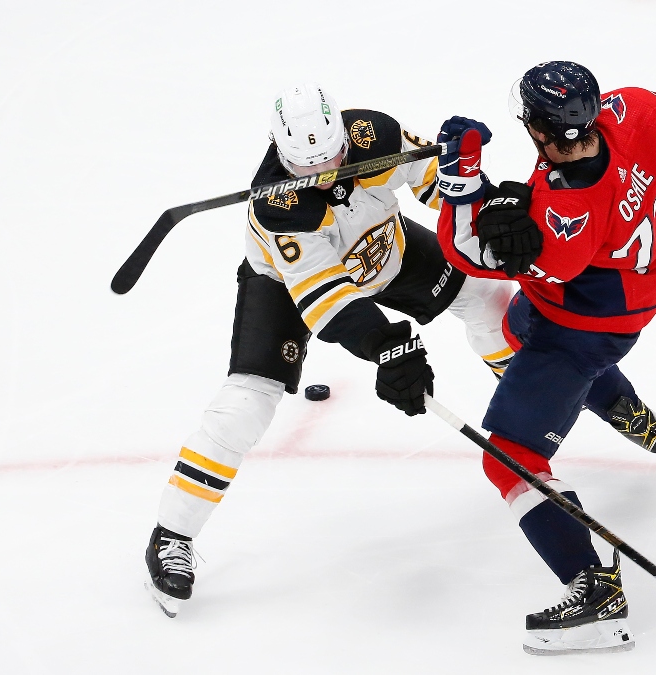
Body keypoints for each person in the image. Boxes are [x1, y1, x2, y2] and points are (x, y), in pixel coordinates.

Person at [434, 23, 656, 654]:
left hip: (585, 323)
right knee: (515, 321)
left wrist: (461, 183)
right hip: (644, 282)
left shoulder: (566, 220)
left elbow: (467, 253)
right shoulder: (630, 111)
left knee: (509, 457)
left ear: (539, 131)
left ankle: (593, 591)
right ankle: (621, 406)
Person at [143, 83, 516, 617]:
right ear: (283, 157)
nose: (326, 173)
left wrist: (471, 187)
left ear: (345, 135)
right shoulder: (280, 208)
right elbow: (325, 296)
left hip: (386, 248)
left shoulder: (375, 133)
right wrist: (386, 344)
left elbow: (434, 183)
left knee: (489, 296)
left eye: (336, 159)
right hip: (289, 286)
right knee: (242, 409)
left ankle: (527, 385)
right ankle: (172, 534)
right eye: (307, 169)